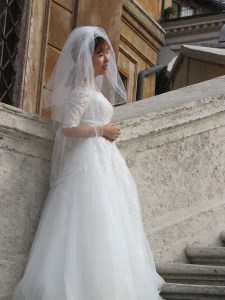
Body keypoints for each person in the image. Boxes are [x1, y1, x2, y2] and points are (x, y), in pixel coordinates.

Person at [12, 26, 165, 300]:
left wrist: (104, 131)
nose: (107, 59)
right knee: (90, 223)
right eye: (100, 55)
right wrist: (101, 130)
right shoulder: (81, 90)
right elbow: (67, 129)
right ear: (86, 58)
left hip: (104, 162)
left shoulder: (93, 87)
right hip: (87, 164)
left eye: (107, 53)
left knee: (111, 224)